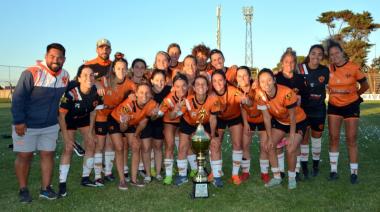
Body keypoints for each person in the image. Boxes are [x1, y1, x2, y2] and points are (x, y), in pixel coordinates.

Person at [11, 43, 70, 203]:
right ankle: (23, 189)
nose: (55, 60)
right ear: (46, 56)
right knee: (25, 156)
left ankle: (45, 188)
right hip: (27, 125)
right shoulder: (31, 72)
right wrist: (19, 121)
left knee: (48, 154)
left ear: (64, 59)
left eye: (59, 57)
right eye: (52, 56)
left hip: (50, 125)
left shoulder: (65, 75)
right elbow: (18, 98)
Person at [326, 40, 369, 184]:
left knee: (351, 139)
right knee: (333, 137)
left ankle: (354, 173)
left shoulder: (353, 67)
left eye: (337, 52)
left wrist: (356, 95)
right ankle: (333, 171)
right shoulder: (328, 69)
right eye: (332, 54)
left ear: (342, 52)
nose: (335, 56)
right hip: (333, 106)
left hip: (351, 106)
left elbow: (365, 85)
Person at [257, 68, 307, 189]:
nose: (266, 84)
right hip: (280, 122)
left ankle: (291, 178)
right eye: (262, 81)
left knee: (290, 148)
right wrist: (269, 138)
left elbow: (293, 116)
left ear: (274, 80)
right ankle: (277, 177)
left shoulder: (286, 92)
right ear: (259, 83)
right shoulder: (260, 95)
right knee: (269, 145)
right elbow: (267, 118)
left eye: (269, 80)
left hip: (297, 121)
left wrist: (292, 136)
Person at [91, 58, 136, 186]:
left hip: (113, 116)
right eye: (118, 68)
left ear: (127, 70)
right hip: (101, 115)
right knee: (100, 145)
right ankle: (98, 175)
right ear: (114, 69)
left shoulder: (130, 83)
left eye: (123, 68)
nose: (121, 71)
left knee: (111, 144)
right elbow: (92, 79)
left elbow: (137, 93)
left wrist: (133, 95)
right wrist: (97, 84)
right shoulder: (106, 80)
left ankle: (108, 172)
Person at [58, 65, 101, 196]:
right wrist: (66, 138)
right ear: (79, 78)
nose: (89, 77)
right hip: (68, 118)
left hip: (84, 118)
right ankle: (62, 184)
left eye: (92, 75)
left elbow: (93, 112)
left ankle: (85, 178)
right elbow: (61, 116)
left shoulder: (96, 92)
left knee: (91, 143)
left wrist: (89, 132)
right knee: (68, 148)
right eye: (85, 75)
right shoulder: (72, 93)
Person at [110, 83, 158, 189]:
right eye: (141, 92)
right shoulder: (128, 104)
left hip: (131, 123)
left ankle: (134, 179)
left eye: (147, 93)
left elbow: (145, 121)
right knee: (119, 147)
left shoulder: (152, 104)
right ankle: (122, 181)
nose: (144, 95)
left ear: (151, 94)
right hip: (116, 122)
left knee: (136, 146)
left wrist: (136, 135)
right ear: (136, 93)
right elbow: (122, 128)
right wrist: (125, 123)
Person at [209, 70, 252, 187]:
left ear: (225, 81)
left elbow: (247, 103)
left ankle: (234, 174)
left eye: (220, 80)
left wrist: (246, 101)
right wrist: (212, 133)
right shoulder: (210, 94)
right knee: (215, 143)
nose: (217, 83)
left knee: (237, 144)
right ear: (211, 82)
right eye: (214, 80)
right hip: (219, 119)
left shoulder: (233, 91)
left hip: (234, 117)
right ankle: (215, 171)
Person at [175, 75, 219, 185]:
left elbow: (213, 119)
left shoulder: (213, 99)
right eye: (197, 84)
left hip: (205, 123)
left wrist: (212, 136)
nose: (201, 86)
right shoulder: (188, 101)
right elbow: (176, 115)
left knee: (215, 145)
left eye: (203, 84)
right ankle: (182, 176)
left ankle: (217, 177)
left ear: (208, 87)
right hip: (189, 123)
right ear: (193, 88)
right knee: (182, 146)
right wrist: (176, 110)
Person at [274, 47, 308, 180]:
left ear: (295, 63)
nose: (289, 64)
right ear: (282, 62)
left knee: (294, 144)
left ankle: (297, 170)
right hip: (280, 117)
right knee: (278, 144)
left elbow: (305, 97)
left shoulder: (300, 79)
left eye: (292, 62)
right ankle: (281, 170)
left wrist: (299, 100)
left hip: (296, 117)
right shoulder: (275, 78)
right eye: (286, 61)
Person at [297, 44, 329, 178]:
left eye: (319, 54)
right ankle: (304, 167)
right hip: (303, 110)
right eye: (313, 53)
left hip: (318, 110)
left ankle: (315, 165)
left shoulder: (325, 70)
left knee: (316, 138)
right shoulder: (299, 68)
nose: (316, 56)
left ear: (322, 56)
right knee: (303, 139)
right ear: (309, 54)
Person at [236, 66, 269, 183]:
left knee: (264, 147)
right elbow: (243, 108)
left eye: (245, 75)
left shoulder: (257, 87)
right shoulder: (237, 91)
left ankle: (264, 172)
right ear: (236, 78)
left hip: (262, 120)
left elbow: (264, 104)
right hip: (248, 120)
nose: (242, 78)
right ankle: (245, 171)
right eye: (239, 76)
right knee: (245, 145)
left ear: (250, 76)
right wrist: (245, 123)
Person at [159, 73, 189, 185]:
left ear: (188, 85)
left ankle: (192, 169)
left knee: (186, 145)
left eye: (184, 85)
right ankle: (168, 175)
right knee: (170, 145)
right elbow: (171, 116)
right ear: (173, 87)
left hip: (184, 120)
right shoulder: (169, 98)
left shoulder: (191, 95)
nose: (181, 89)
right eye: (177, 86)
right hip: (170, 120)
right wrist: (176, 109)